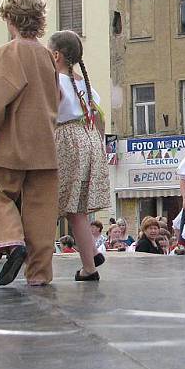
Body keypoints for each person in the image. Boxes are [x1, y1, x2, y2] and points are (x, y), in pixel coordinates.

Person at [0, 0, 60, 287]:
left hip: (11, 146)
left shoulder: (5, 54)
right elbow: (57, 99)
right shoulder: (48, 56)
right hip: (46, 147)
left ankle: (12, 240)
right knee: (41, 214)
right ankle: (39, 275)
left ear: (10, 18)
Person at [48, 30, 111, 282]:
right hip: (89, 137)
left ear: (55, 55)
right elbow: (99, 116)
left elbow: (50, 114)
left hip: (66, 139)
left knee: (67, 207)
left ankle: (89, 266)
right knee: (79, 208)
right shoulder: (84, 82)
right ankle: (91, 253)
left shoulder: (57, 81)